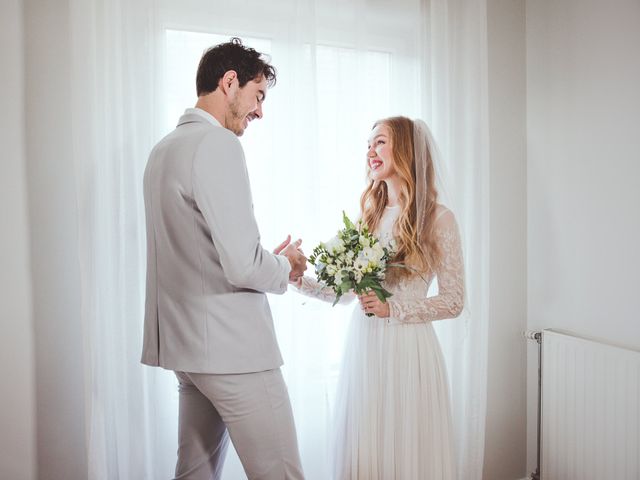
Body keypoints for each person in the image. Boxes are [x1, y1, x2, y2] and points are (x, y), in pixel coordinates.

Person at [141, 38, 307, 480]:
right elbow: (242, 266)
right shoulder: (217, 145)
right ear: (229, 81)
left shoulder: (162, 151)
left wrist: (258, 261)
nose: (259, 112)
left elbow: (198, 253)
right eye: (258, 96)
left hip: (187, 350)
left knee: (193, 473)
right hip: (234, 353)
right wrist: (286, 266)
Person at [293, 116, 464, 479]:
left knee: (406, 447)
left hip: (409, 349)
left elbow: (453, 300)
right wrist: (299, 280)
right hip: (366, 347)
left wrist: (393, 308)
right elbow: (343, 291)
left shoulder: (438, 219)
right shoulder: (368, 217)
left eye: (380, 142)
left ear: (403, 149)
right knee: (367, 446)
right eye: (368, 145)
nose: (370, 151)